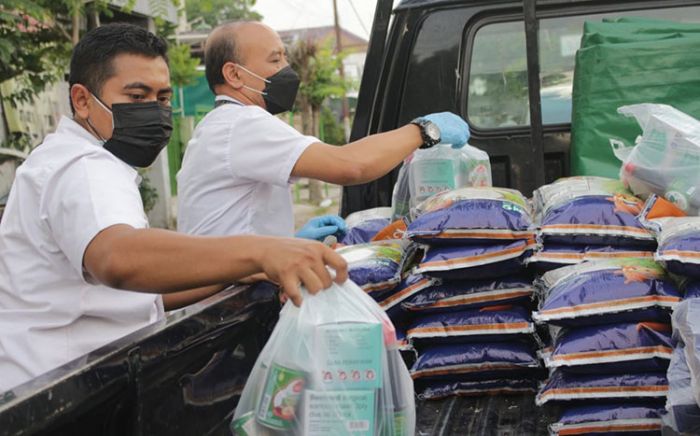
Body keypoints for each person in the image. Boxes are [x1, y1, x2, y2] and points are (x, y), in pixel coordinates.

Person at [0, 23, 347, 392]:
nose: (154, 109)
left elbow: (144, 293)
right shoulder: (83, 168)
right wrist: (261, 251)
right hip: (54, 396)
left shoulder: (82, 162)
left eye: (163, 97)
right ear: (83, 100)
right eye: (136, 96)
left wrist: (245, 269)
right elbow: (119, 259)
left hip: (72, 386)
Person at [176, 21, 470, 240]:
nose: (287, 69)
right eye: (275, 59)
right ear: (234, 74)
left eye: (285, 57)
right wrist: (425, 129)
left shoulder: (223, 125)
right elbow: (350, 165)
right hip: (233, 300)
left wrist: (291, 242)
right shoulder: (240, 124)